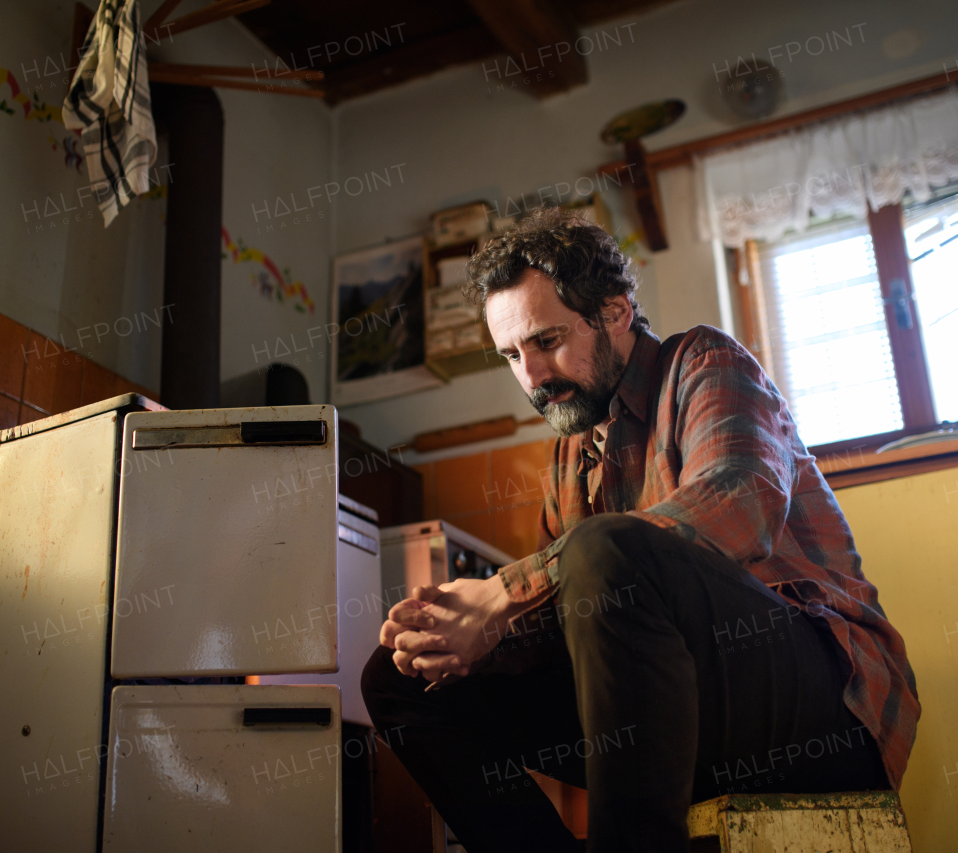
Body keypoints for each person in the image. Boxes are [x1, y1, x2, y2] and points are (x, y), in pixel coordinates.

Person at [361, 207, 919, 853]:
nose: (532, 376)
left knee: (604, 547)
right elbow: (567, 629)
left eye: (547, 340)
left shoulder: (705, 362)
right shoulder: (571, 454)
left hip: (825, 710)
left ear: (617, 311)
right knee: (401, 679)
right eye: (512, 354)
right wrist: (473, 635)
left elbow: (740, 505)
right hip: (678, 721)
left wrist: (504, 594)